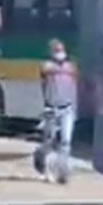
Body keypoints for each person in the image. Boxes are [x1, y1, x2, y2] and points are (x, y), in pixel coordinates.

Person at [32, 39, 78, 185]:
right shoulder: (47, 65)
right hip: (51, 108)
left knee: (65, 141)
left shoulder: (70, 66)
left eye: (61, 50)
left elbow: (74, 75)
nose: (60, 53)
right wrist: (62, 69)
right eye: (56, 50)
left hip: (67, 108)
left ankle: (62, 173)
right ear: (51, 52)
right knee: (49, 141)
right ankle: (42, 164)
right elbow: (46, 71)